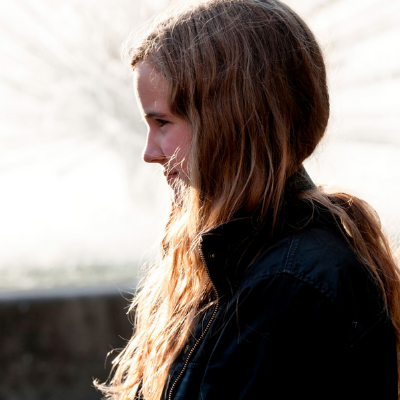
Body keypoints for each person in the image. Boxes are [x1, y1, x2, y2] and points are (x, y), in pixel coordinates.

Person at [96, 0, 400, 399]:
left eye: (162, 122)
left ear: (229, 120)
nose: (149, 151)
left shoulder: (289, 285)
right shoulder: (251, 257)